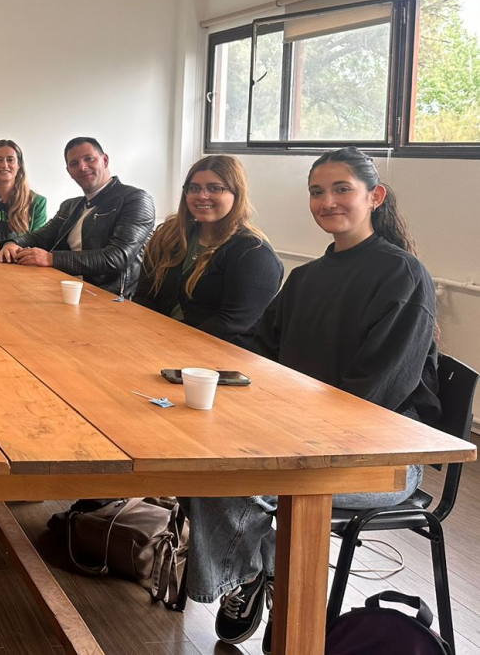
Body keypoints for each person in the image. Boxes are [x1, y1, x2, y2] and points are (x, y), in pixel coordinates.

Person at [183, 147, 439, 653]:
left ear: (375, 197)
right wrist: (199, 369)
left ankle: (270, 583)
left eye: (342, 189)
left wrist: (285, 435)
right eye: (317, 191)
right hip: (303, 436)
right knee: (201, 458)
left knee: (243, 478)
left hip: (382, 456)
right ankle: (262, 577)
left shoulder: (401, 276)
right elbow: (260, 350)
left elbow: (377, 393)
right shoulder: (307, 278)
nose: (327, 201)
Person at [133, 155, 282, 344]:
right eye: (194, 188)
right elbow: (144, 297)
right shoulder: (168, 236)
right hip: (155, 342)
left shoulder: (254, 253)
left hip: (216, 359)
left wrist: (170, 344)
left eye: (214, 188)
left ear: (237, 193)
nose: (202, 196)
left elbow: (230, 325)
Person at [0, 137, 155, 297]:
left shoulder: (136, 199)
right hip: (63, 290)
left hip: (110, 300)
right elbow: (41, 237)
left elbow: (118, 256)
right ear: (69, 171)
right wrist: (12, 243)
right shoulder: (70, 206)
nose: (82, 167)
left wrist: (51, 259)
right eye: (74, 163)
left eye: (89, 159)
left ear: (105, 160)